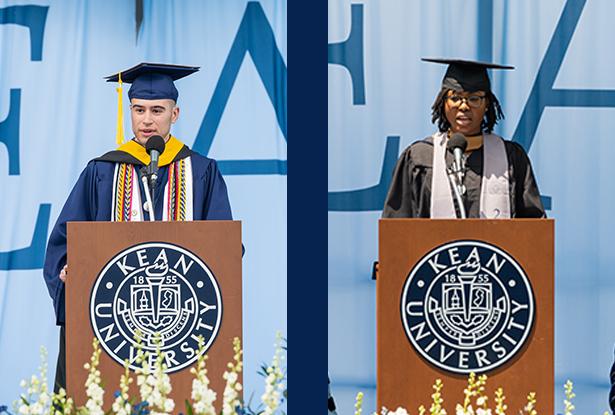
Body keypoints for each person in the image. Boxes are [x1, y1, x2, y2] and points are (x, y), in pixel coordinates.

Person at [43, 62, 233, 391]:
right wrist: (67, 272)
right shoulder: (102, 171)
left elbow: (225, 247)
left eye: (157, 110)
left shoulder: (202, 172)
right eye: (139, 109)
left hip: (182, 329)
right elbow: (65, 241)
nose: (147, 120)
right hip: (112, 325)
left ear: (175, 115)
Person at [382, 58, 545, 219]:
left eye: (474, 99)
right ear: (443, 103)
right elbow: (397, 229)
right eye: (455, 98)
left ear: (487, 104)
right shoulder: (420, 157)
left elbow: (533, 230)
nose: (464, 106)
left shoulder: (511, 157)